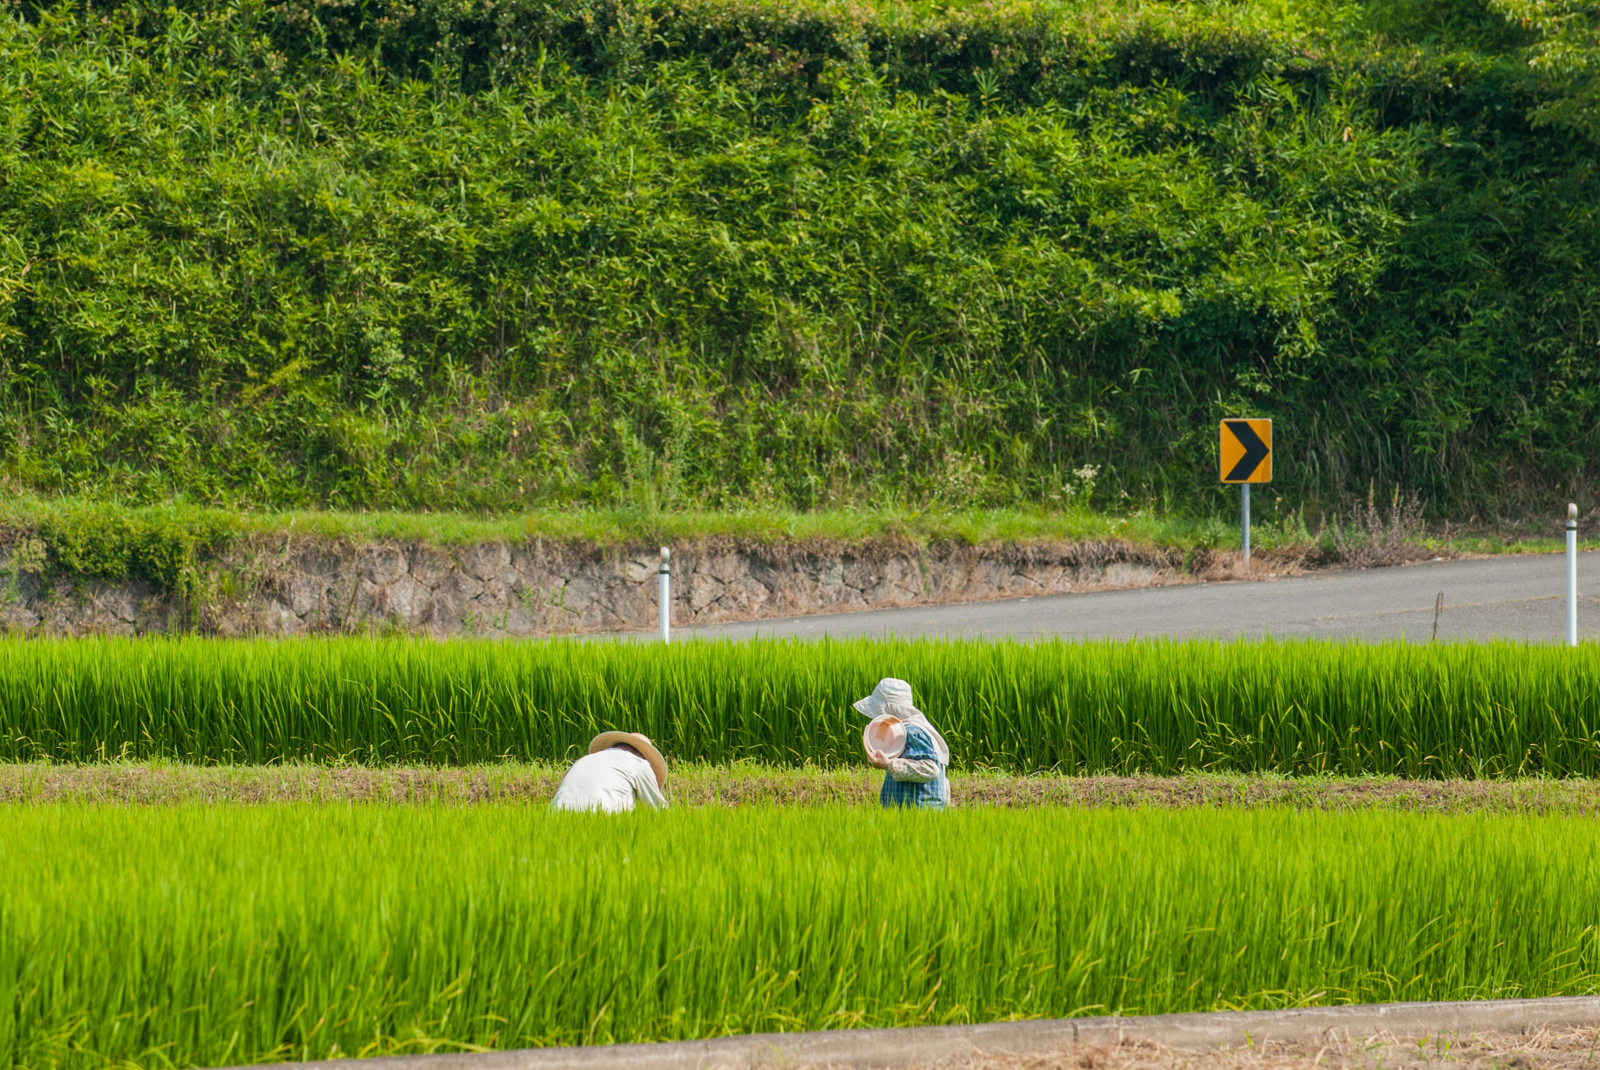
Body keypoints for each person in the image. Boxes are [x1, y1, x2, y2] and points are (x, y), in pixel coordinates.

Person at [855, 678, 951, 810]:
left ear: (888, 708)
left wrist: (889, 765)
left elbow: (930, 769)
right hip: (901, 814)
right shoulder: (899, 732)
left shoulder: (911, 732)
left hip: (919, 814)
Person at [549, 731, 669, 812]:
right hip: (600, 818)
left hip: (555, 816)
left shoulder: (582, 760)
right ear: (641, 755)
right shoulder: (639, 763)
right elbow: (658, 809)